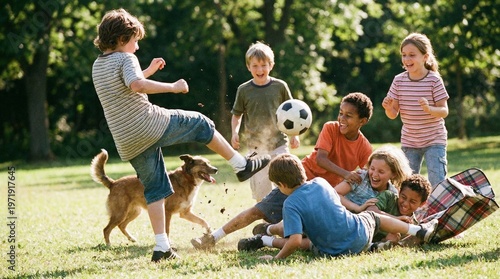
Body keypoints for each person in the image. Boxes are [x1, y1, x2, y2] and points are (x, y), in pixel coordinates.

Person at [91, 9, 270, 262]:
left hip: (126, 140)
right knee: (200, 123)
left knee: (155, 188)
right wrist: (173, 87)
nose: (137, 47)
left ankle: (161, 247)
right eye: (135, 41)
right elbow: (136, 85)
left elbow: (127, 84)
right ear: (121, 39)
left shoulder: (99, 65)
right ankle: (240, 165)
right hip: (147, 124)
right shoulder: (125, 59)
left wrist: (148, 71)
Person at [191, 92, 373, 250]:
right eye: (341, 113)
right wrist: (346, 174)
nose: (341, 118)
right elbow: (321, 159)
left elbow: (370, 175)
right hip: (298, 180)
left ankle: (267, 233)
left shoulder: (364, 147)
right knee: (258, 211)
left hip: (324, 196)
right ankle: (213, 237)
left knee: (310, 231)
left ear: (362, 121)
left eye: (348, 116)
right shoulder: (330, 128)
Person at [237, 154, 438, 260]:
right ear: (303, 174)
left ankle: (264, 238)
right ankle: (417, 230)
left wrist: (277, 260)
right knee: (372, 217)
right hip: (358, 237)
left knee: (309, 241)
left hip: (330, 251)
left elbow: (296, 241)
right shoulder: (321, 183)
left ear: (281, 186)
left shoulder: (290, 203)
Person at [231, 41, 300, 202]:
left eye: (263, 65)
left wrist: (294, 135)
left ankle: (287, 219)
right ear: (248, 67)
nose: (259, 70)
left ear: (271, 65)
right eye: (255, 66)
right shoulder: (244, 90)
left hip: (279, 144)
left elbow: (293, 112)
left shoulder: (280, 86)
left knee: (287, 185)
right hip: (256, 148)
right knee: (262, 193)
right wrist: (234, 132)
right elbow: (237, 115)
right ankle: (266, 225)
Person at [382, 32, 450, 188]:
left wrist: (429, 108)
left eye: (412, 55)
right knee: (406, 183)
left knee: (437, 181)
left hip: (434, 139)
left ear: (425, 57)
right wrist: (388, 107)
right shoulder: (398, 80)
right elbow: (393, 115)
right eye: (404, 55)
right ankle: (410, 212)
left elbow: (444, 111)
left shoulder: (434, 79)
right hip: (410, 140)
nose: (407, 59)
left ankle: (438, 211)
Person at [334, 145, 412, 213]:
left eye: (381, 172)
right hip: (342, 214)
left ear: (393, 174)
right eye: (372, 168)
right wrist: (357, 208)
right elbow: (334, 193)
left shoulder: (391, 193)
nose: (374, 174)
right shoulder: (360, 177)